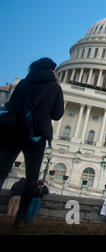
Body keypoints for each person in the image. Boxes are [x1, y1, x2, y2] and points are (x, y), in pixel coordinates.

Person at [0, 57, 64, 226]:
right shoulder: (54, 88)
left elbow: (10, 105)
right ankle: (22, 217)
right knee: (31, 178)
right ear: (51, 70)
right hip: (36, 135)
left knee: (1, 170)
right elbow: (57, 114)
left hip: (13, 131)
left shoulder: (22, 84)